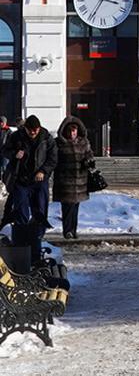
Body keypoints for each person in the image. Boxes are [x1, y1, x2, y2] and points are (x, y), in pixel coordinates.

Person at [1, 115, 58, 270]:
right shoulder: (16, 136)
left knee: (40, 212)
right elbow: (5, 151)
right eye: (30, 130)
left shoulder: (46, 138)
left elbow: (52, 159)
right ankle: (21, 246)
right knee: (20, 212)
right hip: (21, 180)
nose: (33, 133)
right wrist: (14, 154)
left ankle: (36, 243)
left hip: (39, 180)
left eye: (35, 130)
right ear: (25, 128)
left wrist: (43, 171)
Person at [53, 117, 95, 240]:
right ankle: (67, 231)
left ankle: (73, 230)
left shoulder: (84, 142)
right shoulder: (59, 143)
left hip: (80, 180)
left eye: (75, 131)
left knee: (75, 207)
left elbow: (90, 155)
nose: (73, 134)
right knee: (67, 207)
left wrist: (89, 161)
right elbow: (54, 159)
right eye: (70, 131)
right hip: (65, 181)